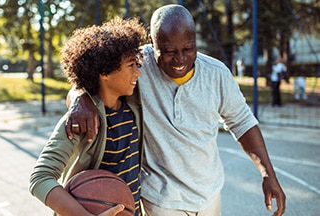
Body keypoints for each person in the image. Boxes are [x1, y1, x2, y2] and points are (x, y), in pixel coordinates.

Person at [65, 4, 286, 216]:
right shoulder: (136, 67)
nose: (180, 59)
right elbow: (89, 81)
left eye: (188, 48)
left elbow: (243, 122)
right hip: (161, 200)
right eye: (169, 51)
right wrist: (80, 98)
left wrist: (268, 174)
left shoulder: (217, 74)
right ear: (152, 42)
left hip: (209, 194)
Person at [29, 17, 146, 216]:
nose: (138, 73)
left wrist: (78, 94)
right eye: (131, 65)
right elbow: (40, 178)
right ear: (104, 72)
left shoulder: (133, 103)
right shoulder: (80, 120)